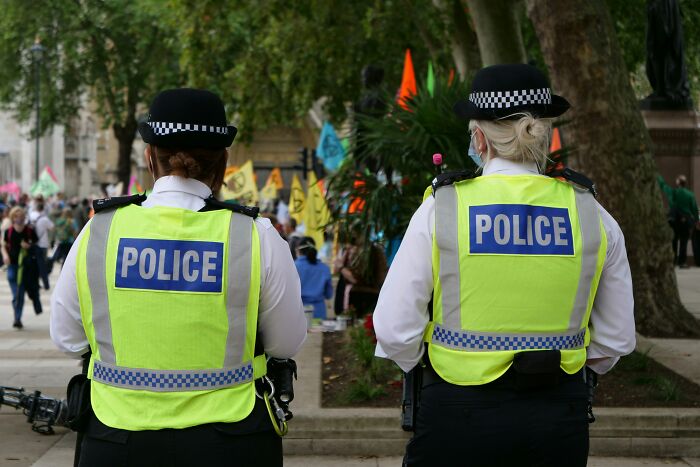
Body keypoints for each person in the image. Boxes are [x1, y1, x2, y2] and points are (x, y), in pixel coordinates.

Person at [373, 64, 636, 467]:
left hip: (457, 414)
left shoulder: (442, 207)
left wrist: (437, 367)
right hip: (557, 419)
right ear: (542, 132)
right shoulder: (591, 212)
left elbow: (393, 329)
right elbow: (616, 339)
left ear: (479, 137)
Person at [50, 88, 306, 467]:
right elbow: (286, 342)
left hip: (116, 437)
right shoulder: (255, 235)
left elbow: (67, 338)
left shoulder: (100, 231)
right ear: (222, 161)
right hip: (229, 440)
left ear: (150, 155)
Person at [2, 206, 42, 329]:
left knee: (20, 293)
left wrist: (29, 246)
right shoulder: (8, 231)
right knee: (17, 294)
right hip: (13, 266)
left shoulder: (29, 230)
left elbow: (36, 244)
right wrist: (5, 256)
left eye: (21, 216)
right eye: (17, 216)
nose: (19, 218)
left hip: (26, 267)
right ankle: (17, 317)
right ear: (13, 217)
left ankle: (17, 318)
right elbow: (3, 245)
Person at [294, 237, 333, 320]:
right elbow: (329, 294)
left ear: (298, 250)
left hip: (298, 312)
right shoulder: (325, 268)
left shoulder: (293, 267)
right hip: (319, 312)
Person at [31, 200, 54, 289]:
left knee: (35, 266)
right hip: (43, 244)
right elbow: (52, 227)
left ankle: (36, 284)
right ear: (43, 208)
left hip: (33, 244)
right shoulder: (44, 219)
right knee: (42, 266)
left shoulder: (32, 216)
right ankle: (46, 284)